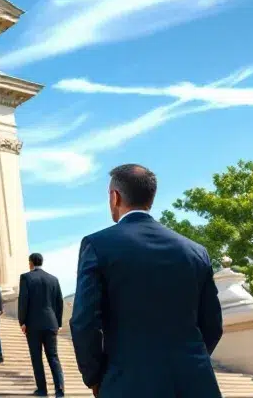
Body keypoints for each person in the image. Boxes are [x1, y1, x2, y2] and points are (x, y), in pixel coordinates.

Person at [70, 164, 222, 398]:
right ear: (150, 198)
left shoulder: (97, 245)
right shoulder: (196, 251)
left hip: (126, 385)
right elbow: (212, 325)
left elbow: (84, 323)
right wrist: (189, 364)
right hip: (196, 383)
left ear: (115, 197)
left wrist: (94, 377)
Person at [18, 252, 65, 397]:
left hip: (33, 324)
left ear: (31, 263)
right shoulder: (53, 279)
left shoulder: (26, 277)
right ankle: (60, 390)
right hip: (51, 323)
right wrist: (58, 322)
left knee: (36, 357)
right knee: (53, 357)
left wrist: (22, 321)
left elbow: (23, 301)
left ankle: (42, 390)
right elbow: (59, 302)